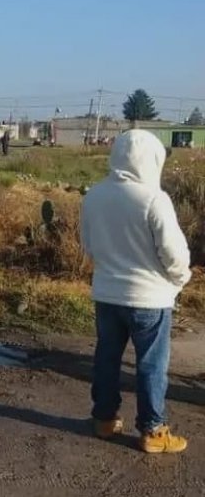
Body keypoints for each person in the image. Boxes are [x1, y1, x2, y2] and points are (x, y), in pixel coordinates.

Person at [81, 129, 191, 454]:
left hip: (107, 294)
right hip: (150, 298)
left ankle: (104, 419)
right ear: (152, 159)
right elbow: (174, 253)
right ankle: (153, 430)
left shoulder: (94, 195)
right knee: (151, 365)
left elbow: (87, 245)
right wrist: (179, 280)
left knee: (106, 357)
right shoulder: (154, 198)